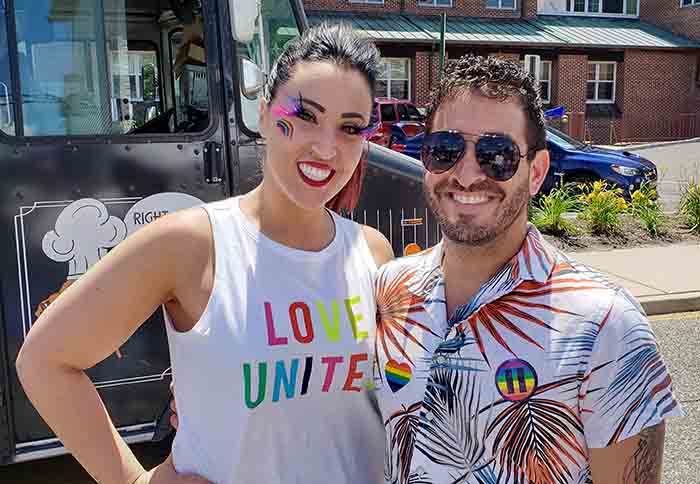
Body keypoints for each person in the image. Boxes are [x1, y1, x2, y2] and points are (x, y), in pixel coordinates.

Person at [16, 23, 393, 484]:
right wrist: (134, 481)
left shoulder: (373, 252)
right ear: (263, 112)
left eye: (350, 127)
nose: (326, 147)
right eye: (306, 115)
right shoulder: (191, 244)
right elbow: (44, 361)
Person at [372, 55, 683, 484]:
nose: (465, 174)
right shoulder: (389, 290)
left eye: (496, 154)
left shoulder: (606, 323)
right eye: (444, 150)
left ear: (536, 173)